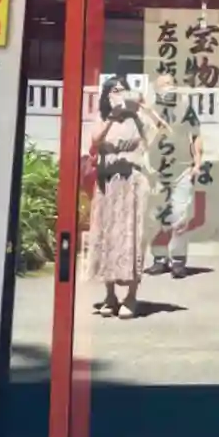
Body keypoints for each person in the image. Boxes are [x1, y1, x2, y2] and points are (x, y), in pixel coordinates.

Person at [83, 75, 154, 318]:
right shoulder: (103, 117)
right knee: (107, 236)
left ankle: (131, 296)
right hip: (108, 183)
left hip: (132, 182)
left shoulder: (137, 117)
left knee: (133, 236)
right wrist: (113, 116)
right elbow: (95, 141)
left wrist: (142, 108)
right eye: (113, 90)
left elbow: (155, 138)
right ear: (106, 94)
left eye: (122, 89)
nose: (118, 93)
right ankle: (110, 295)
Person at [144, 72, 204, 279]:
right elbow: (144, 137)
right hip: (157, 170)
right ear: (156, 89)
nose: (168, 87)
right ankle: (159, 258)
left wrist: (197, 162)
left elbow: (196, 134)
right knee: (157, 216)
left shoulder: (184, 108)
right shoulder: (149, 110)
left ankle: (178, 260)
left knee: (180, 214)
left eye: (171, 83)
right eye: (163, 84)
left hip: (182, 168)